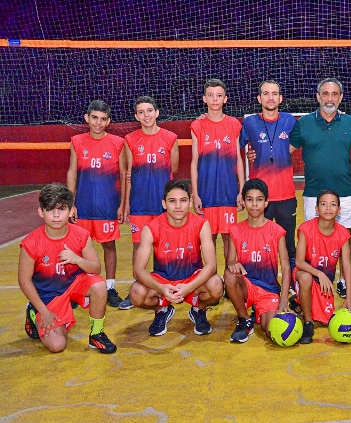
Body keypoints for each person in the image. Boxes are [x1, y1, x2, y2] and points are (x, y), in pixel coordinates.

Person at [18, 183, 117, 354]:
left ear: (71, 211)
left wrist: (77, 259)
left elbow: (96, 268)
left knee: (99, 285)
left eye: (62, 209)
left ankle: (96, 334)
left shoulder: (81, 235)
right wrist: (44, 311)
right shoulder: (31, 243)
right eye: (50, 210)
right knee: (57, 345)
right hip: (48, 297)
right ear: (41, 212)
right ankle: (33, 312)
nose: (56, 215)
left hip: (73, 286)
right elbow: (24, 281)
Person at [289, 78, 351, 299]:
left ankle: (342, 280)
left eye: (334, 94)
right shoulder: (304, 123)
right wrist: (256, 153)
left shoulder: (349, 122)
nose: (329, 99)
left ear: (341, 97)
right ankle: (313, 279)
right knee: (312, 239)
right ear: (318, 97)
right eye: (325, 94)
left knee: (344, 238)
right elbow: (284, 150)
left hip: (345, 192)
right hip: (313, 193)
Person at [128, 180, 224, 336]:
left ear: (190, 202)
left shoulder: (201, 224)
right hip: (163, 282)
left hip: (192, 281)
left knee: (216, 285)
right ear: (164, 204)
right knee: (136, 293)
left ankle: (198, 309)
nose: (178, 206)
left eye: (183, 200)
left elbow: (211, 265)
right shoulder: (151, 228)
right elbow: (138, 270)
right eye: (172, 201)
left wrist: (189, 287)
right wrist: (162, 288)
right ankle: (162, 309)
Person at [119, 96, 179, 310]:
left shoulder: (170, 138)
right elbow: (129, 174)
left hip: (162, 204)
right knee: (138, 246)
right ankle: (138, 287)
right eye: (141, 112)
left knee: (164, 247)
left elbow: (173, 169)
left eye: (149, 110)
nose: (146, 115)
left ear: (157, 112)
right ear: (136, 116)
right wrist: (126, 205)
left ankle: (165, 289)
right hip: (139, 203)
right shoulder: (130, 140)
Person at [66, 100, 126, 308]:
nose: (98, 123)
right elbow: (72, 172)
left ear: (108, 121)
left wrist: (122, 205)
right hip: (83, 205)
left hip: (107, 205)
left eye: (102, 119)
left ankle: (109, 288)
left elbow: (124, 175)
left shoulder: (118, 143)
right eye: (94, 118)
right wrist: (70, 203)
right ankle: (78, 289)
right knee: (79, 249)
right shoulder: (77, 141)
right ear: (87, 118)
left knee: (109, 246)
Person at [240, 80, 297, 273]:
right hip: (259, 197)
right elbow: (233, 146)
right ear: (259, 98)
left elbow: (301, 142)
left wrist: (282, 151)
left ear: (280, 98)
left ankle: (292, 282)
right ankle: (261, 282)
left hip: (286, 194)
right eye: (266, 93)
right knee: (260, 243)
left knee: (289, 244)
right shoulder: (249, 123)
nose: (270, 98)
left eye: (274, 94)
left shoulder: (290, 121)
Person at [224, 178, 291, 343]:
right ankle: (245, 319)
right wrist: (232, 264)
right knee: (229, 275)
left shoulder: (277, 231)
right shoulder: (235, 230)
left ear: (266, 203)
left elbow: (286, 267)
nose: (254, 204)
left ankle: (260, 310)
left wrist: (284, 299)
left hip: (268, 289)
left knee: (273, 331)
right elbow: (230, 261)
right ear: (243, 202)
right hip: (246, 286)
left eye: (259, 199)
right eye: (249, 199)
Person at [290, 189, 351, 344]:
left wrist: (349, 299)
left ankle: (298, 304)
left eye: (333, 204)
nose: (328, 208)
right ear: (316, 208)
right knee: (305, 278)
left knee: (326, 320)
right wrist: (319, 274)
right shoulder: (306, 229)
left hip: (324, 283)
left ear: (339, 210)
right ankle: (308, 322)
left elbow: (347, 266)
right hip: (305, 273)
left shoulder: (343, 234)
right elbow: (299, 262)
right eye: (323, 204)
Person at [190, 78, 244, 267]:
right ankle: (210, 277)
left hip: (228, 191)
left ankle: (229, 276)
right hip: (206, 193)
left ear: (225, 99)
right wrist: (195, 193)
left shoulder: (234, 124)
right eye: (211, 95)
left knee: (229, 237)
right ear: (204, 98)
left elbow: (238, 159)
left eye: (219, 95)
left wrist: (241, 190)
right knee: (208, 237)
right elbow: (194, 162)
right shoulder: (197, 126)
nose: (215, 99)